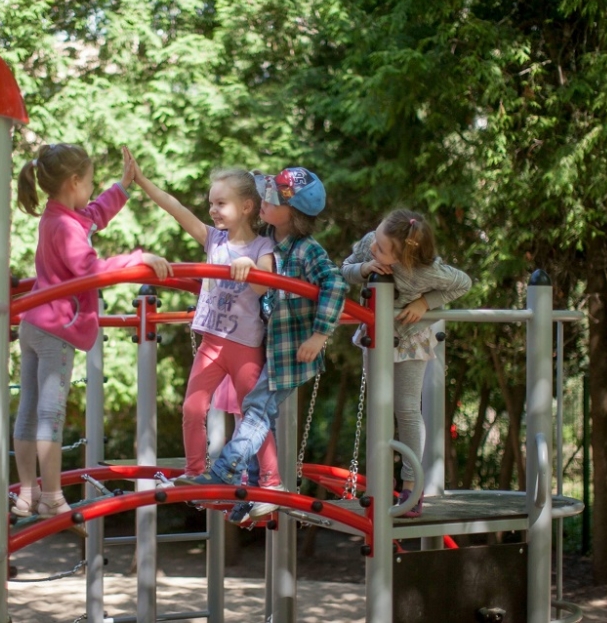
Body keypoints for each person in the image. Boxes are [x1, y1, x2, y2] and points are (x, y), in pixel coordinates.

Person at [11, 143, 172, 524]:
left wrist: (122, 186)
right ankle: (52, 497)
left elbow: (95, 214)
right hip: (56, 330)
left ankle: (28, 493)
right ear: (74, 182)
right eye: (90, 183)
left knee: (29, 410)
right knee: (49, 414)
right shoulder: (67, 226)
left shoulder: (59, 215)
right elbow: (91, 270)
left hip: (33, 324)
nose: (92, 190)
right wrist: (139, 259)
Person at [176, 167, 348, 523]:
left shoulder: (307, 251)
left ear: (293, 213)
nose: (264, 202)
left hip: (294, 350)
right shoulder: (270, 236)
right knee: (255, 411)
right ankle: (256, 492)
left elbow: (335, 286)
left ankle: (228, 473)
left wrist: (320, 335)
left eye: (272, 199)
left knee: (255, 411)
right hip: (273, 346)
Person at [129, 155, 276, 488]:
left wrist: (250, 267)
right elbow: (176, 208)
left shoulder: (262, 245)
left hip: (244, 345)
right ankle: (195, 472)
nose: (213, 209)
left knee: (251, 415)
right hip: (211, 342)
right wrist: (141, 180)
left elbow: (264, 284)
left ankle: (271, 480)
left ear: (247, 207)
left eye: (221, 203)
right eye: (211, 203)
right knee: (193, 408)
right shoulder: (214, 239)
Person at [341, 209, 471, 516]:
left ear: (403, 257)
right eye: (376, 239)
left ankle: (412, 486)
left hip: (410, 339)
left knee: (408, 409)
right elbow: (344, 268)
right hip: (377, 336)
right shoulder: (372, 242)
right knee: (379, 408)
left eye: (382, 249)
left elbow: (463, 283)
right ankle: (380, 482)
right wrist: (363, 268)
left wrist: (425, 302)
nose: (374, 247)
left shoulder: (426, 271)